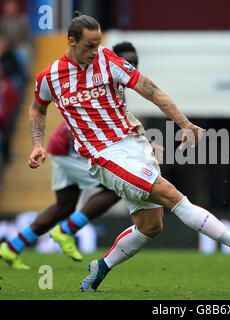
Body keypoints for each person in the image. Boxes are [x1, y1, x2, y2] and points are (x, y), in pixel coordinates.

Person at [28, 11, 230, 292]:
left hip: (135, 144)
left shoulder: (108, 61)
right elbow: (37, 108)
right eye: (89, 45)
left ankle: (101, 266)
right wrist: (38, 143)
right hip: (105, 156)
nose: (95, 50)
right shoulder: (50, 77)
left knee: (151, 226)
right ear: (71, 41)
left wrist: (184, 123)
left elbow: (151, 90)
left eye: (98, 43)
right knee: (170, 194)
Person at [0, 41, 155, 269]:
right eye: (127, 62)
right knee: (114, 188)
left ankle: (11, 247)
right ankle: (66, 230)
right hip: (69, 149)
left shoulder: (116, 88)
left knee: (63, 207)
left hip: (62, 148)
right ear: (115, 61)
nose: (130, 67)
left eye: (135, 63)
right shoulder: (102, 81)